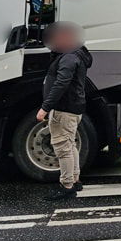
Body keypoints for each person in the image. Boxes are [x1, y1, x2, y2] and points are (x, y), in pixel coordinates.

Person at [37, 22, 93, 200]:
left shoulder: (69, 57)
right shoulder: (75, 54)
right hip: (72, 108)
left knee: (63, 148)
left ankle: (67, 185)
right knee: (70, 145)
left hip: (64, 109)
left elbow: (62, 83)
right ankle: (75, 180)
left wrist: (45, 108)